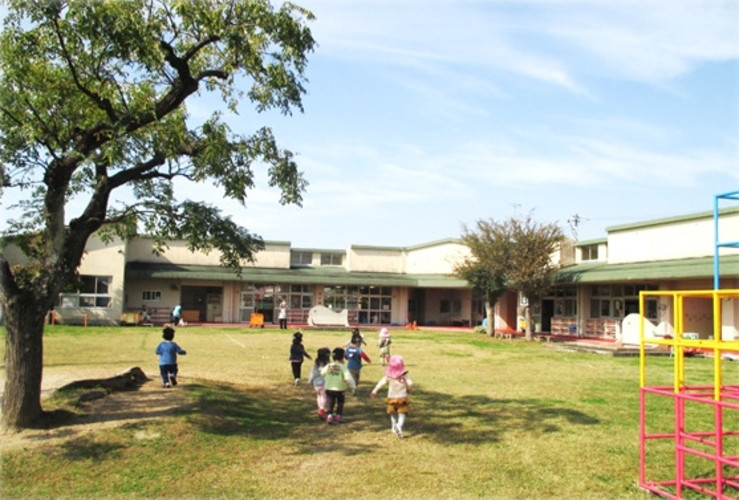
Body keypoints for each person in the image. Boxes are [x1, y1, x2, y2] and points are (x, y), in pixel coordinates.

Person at [371, 355, 414, 438]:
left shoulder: (388, 376)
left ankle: (394, 427)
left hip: (391, 398)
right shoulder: (404, 375)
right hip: (402, 398)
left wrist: (374, 391)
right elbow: (411, 383)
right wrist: (409, 389)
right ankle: (399, 426)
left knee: (393, 413)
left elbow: (381, 383)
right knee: (402, 413)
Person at [320, 347, 356, 424]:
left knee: (330, 402)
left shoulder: (330, 366)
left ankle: (329, 415)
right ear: (343, 357)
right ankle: (339, 416)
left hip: (329, 388)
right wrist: (353, 387)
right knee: (340, 402)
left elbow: (322, 372)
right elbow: (348, 378)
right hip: (340, 388)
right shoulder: (343, 367)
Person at [307, 347, 331, 420]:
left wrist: (309, 381)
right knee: (324, 396)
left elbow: (312, 373)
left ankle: (320, 407)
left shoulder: (316, 364)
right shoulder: (328, 364)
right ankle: (322, 409)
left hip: (316, 383)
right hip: (324, 383)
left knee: (319, 396)